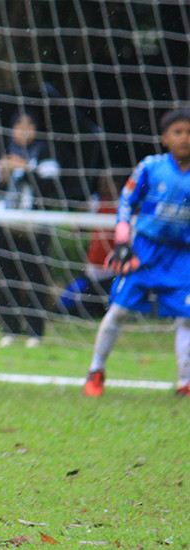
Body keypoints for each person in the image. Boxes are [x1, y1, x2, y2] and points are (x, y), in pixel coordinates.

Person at [83, 108, 190, 398]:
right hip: (142, 252)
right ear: (165, 138)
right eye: (178, 132)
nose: (184, 138)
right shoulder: (151, 168)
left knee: (187, 317)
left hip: (181, 257)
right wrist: (122, 240)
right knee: (118, 311)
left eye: (189, 132)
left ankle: (185, 382)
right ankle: (96, 370)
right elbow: (127, 202)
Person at [0, 110, 61, 348]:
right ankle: (10, 329)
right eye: (19, 124)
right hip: (5, 223)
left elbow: (50, 187)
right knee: (7, 276)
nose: (24, 129)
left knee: (35, 276)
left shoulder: (45, 152)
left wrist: (25, 169)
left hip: (35, 224)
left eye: (30, 124)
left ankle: (36, 331)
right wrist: (3, 177)